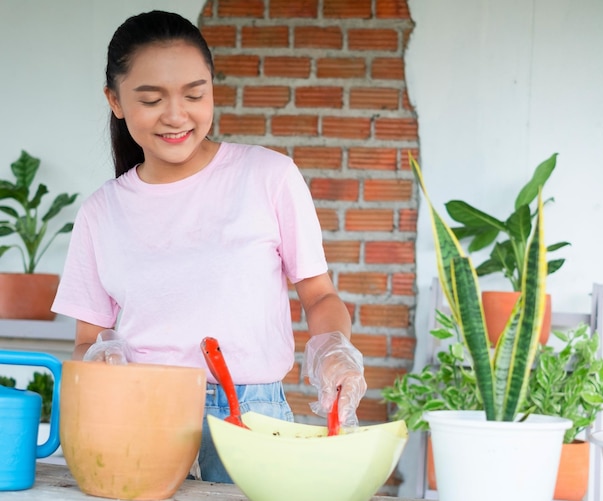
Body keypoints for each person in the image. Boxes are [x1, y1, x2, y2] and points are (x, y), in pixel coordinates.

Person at [51, 10, 367, 483]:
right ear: (114, 101)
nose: (177, 116)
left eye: (195, 94)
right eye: (152, 99)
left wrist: (333, 348)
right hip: (142, 417)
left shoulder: (269, 177)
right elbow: (85, 339)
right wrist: (102, 356)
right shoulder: (101, 212)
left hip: (253, 419)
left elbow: (318, 295)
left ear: (212, 91)